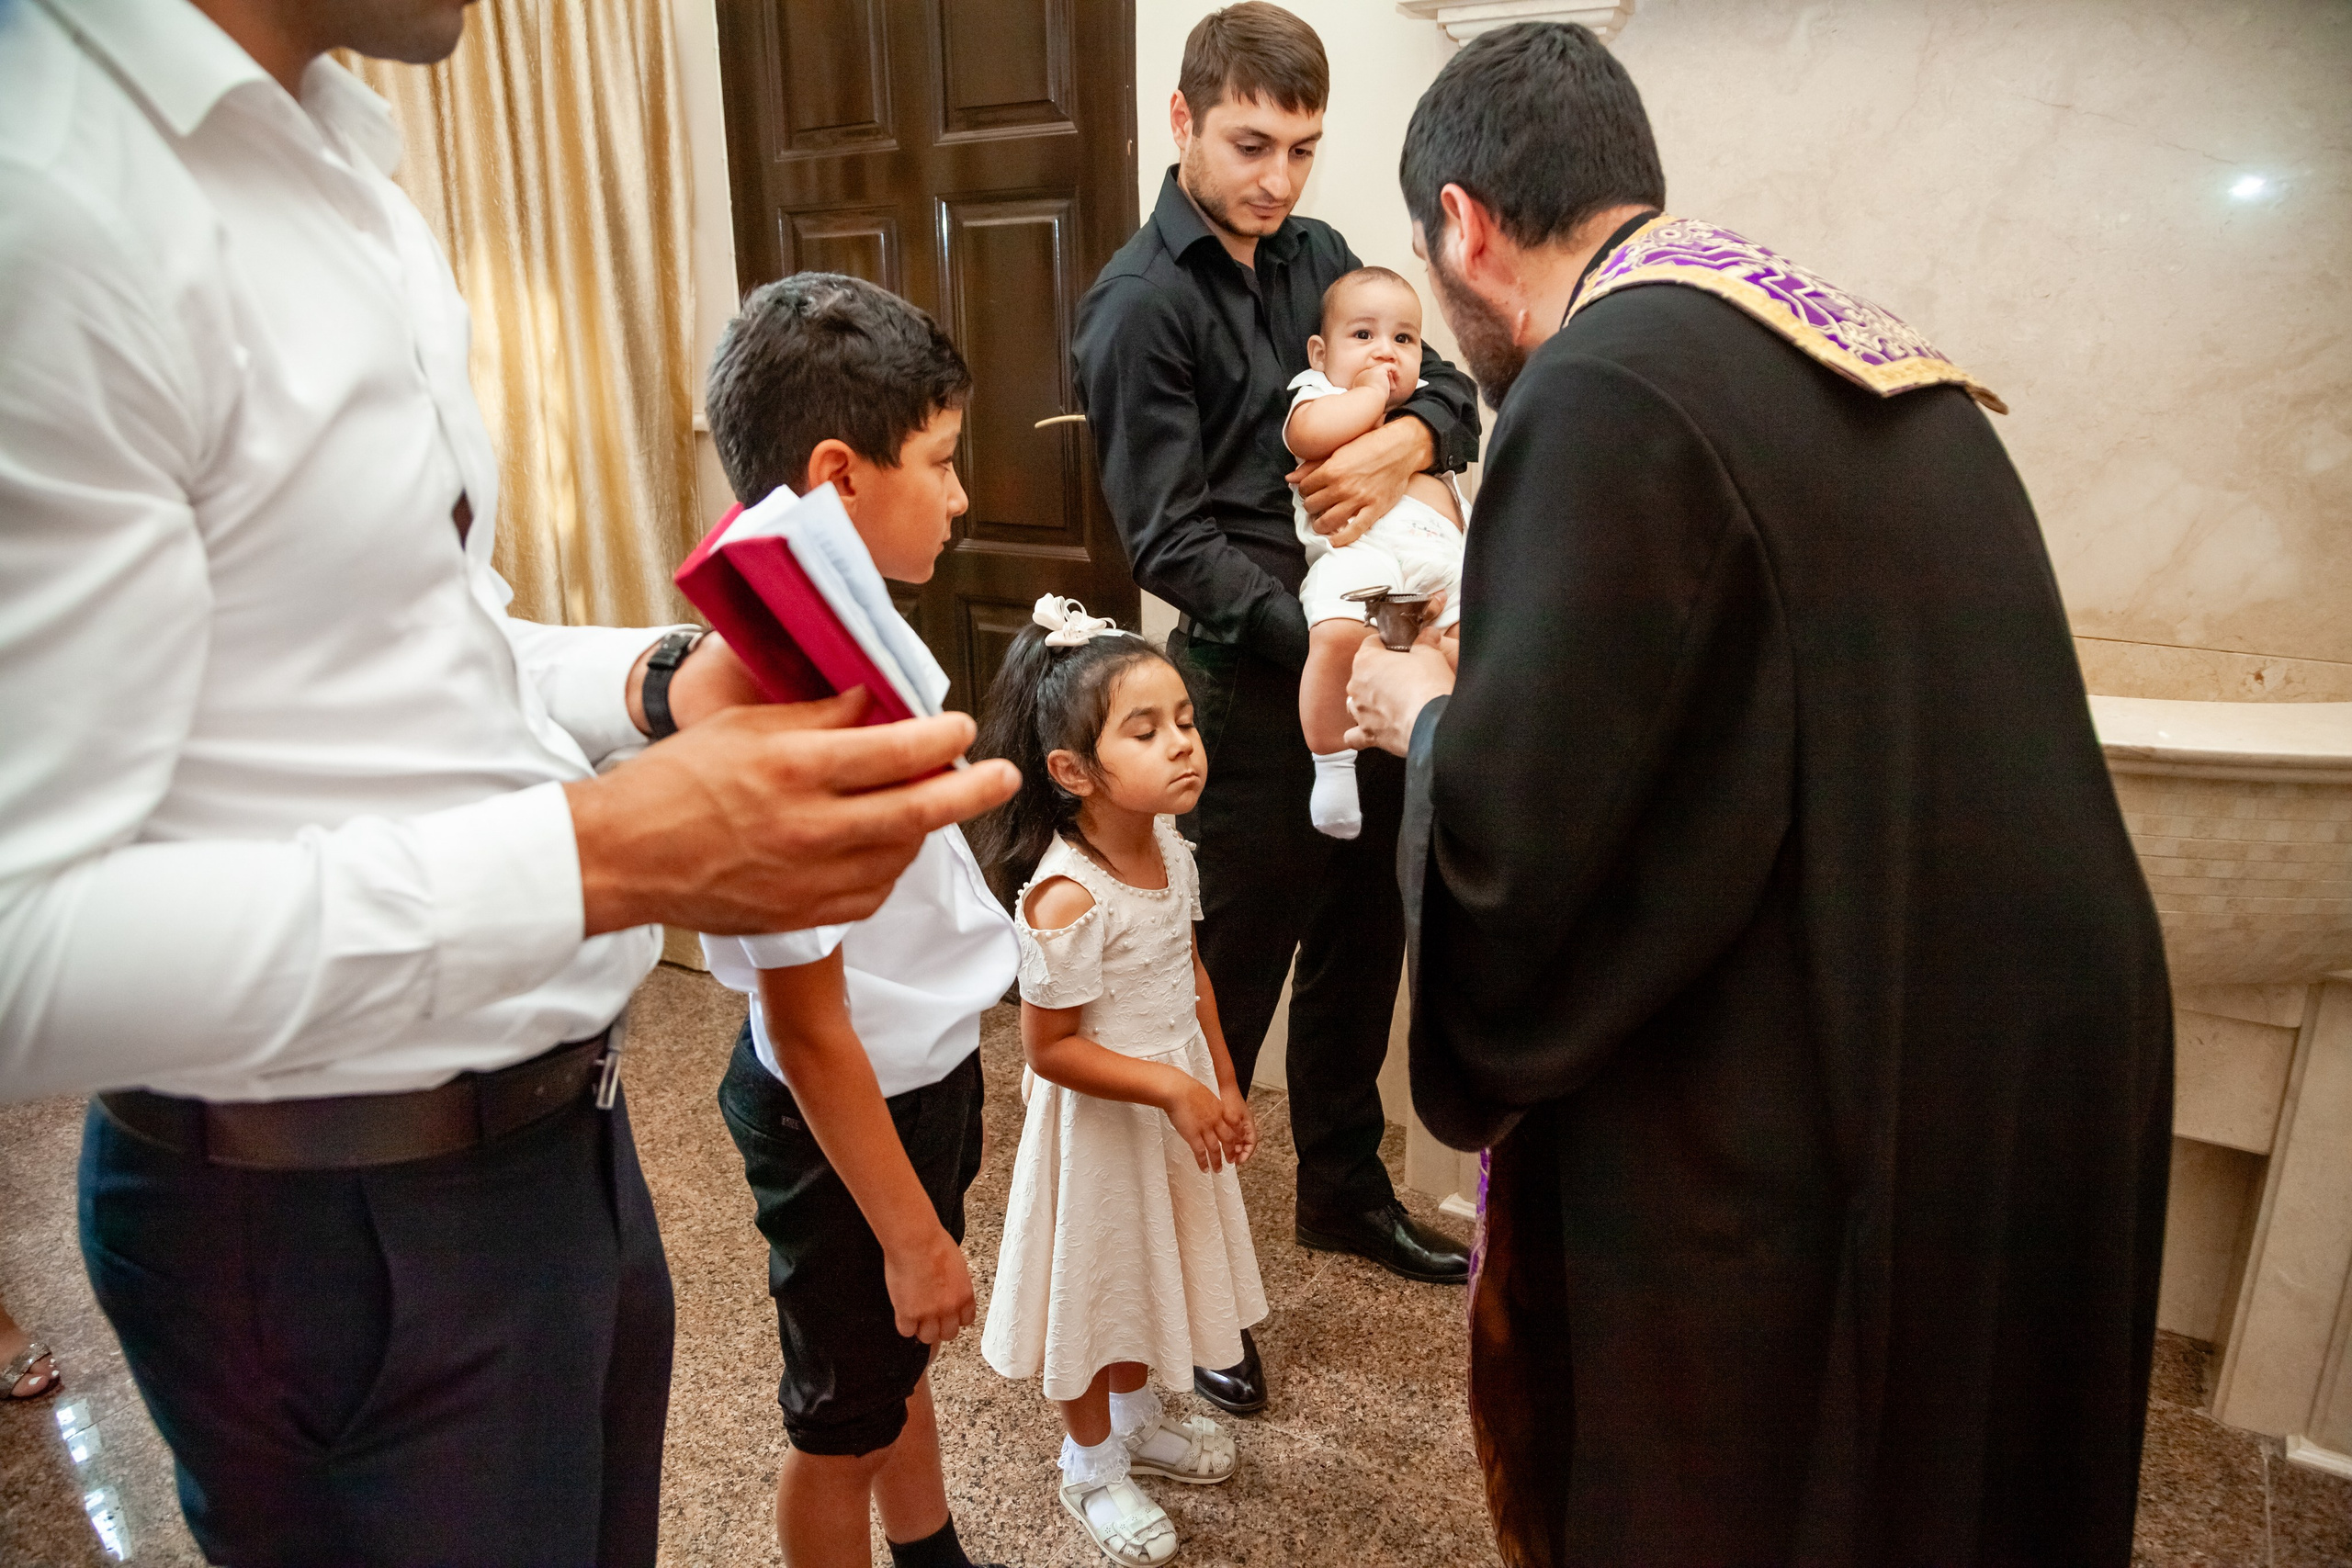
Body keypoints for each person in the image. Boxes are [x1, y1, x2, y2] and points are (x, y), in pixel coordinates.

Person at [0, 3, 1017, 1563]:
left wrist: (654, 684)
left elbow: (419, 640)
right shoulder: (52, 202)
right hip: (327, 1217)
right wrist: (599, 857)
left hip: (551, 1150)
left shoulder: (350, 177)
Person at [1343, 22, 2173, 1566]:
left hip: (1843, 1063)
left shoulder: (1601, 382)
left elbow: (1525, 853)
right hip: (2029, 1040)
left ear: (1461, 224)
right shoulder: (1838, 335)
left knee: (1786, 1485)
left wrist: (1424, 717)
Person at [1071, 0, 1477, 1416]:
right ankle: (1186, 1289)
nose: (1283, 180)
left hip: (1367, 670)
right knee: (1216, 1001)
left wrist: (1409, 443)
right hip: (1245, 690)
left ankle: (1343, 1193)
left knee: (1366, 938)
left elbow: (1460, 397)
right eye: (1254, 143)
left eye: (1305, 147)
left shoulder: (1319, 259)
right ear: (1183, 122)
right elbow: (1165, 541)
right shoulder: (1137, 306)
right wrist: (1326, 624)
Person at [696, 274, 1018, 1568]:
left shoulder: (859, 624)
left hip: (918, 1071)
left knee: (894, 1362)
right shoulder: (777, 708)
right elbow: (808, 1023)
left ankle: (932, 1549)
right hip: (847, 1116)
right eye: (939, 463)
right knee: (838, 1423)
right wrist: (913, 1232)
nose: (957, 495)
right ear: (838, 474)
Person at [973, 604, 1265, 1568]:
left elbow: (1189, 970)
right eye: (1144, 731)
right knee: (1093, 1285)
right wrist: (1171, 1091)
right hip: (1101, 1122)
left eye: (1183, 719)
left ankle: (1136, 1423)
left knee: (1150, 1267)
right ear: (1072, 771)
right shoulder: (1067, 893)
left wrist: (1220, 1077)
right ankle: (1089, 1463)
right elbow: (1050, 1048)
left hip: (1170, 1090)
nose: (1182, 745)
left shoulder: (1170, 849)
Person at [1283, 265, 1466, 839]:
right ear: (1320, 351)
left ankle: (1455, 763)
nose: (1384, 352)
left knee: (1477, 652)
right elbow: (1312, 438)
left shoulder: (1428, 406)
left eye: (1404, 339)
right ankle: (1333, 767)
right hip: (1360, 556)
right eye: (1363, 336)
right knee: (1338, 635)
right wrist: (1369, 394)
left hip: (1441, 561)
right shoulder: (1319, 394)